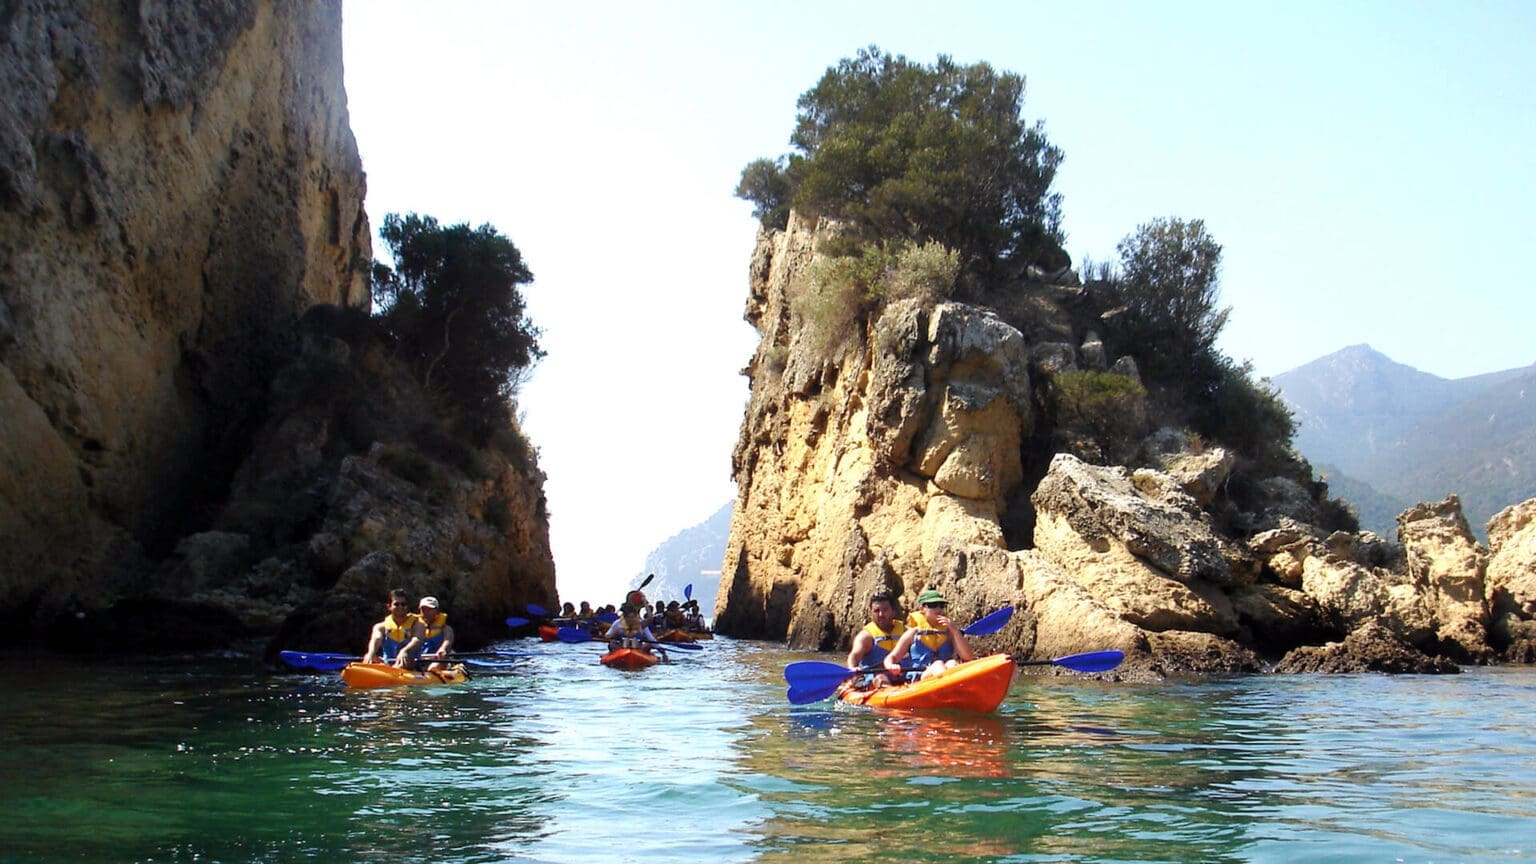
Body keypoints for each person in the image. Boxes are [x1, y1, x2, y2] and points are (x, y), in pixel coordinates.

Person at [883, 588, 974, 681]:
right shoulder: (913, 633)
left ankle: (954, 690)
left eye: (941, 606)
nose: (938, 609)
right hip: (921, 675)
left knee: (952, 663)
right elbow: (892, 657)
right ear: (922, 608)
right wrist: (890, 665)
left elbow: (967, 657)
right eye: (933, 605)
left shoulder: (949, 632)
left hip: (944, 671)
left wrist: (955, 631)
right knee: (938, 665)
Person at [846, 591, 908, 690]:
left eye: (885, 610)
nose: (881, 614)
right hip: (876, 679)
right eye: (876, 610)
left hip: (903, 677)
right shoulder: (866, 637)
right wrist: (853, 668)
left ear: (893, 611)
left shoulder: (905, 631)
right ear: (871, 613)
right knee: (881, 678)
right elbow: (854, 656)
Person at [362, 588, 425, 668]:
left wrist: (404, 651)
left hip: (410, 664)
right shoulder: (380, 627)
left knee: (405, 660)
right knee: (370, 657)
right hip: (388, 663)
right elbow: (376, 639)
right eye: (396, 604)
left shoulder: (418, 624)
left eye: (403, 604)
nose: (400, 607)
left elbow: (417, 640)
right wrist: (371, 653)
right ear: (389, 606)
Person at [417, 595, 456, 672]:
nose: (426, 612)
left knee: (432, 668)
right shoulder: (415, 628)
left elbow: (447, 641)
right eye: (423, 609)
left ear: (437, 611)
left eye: (430, 609)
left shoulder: (446, 629)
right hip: (420, 659)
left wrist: (443, 649)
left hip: (439, 659)